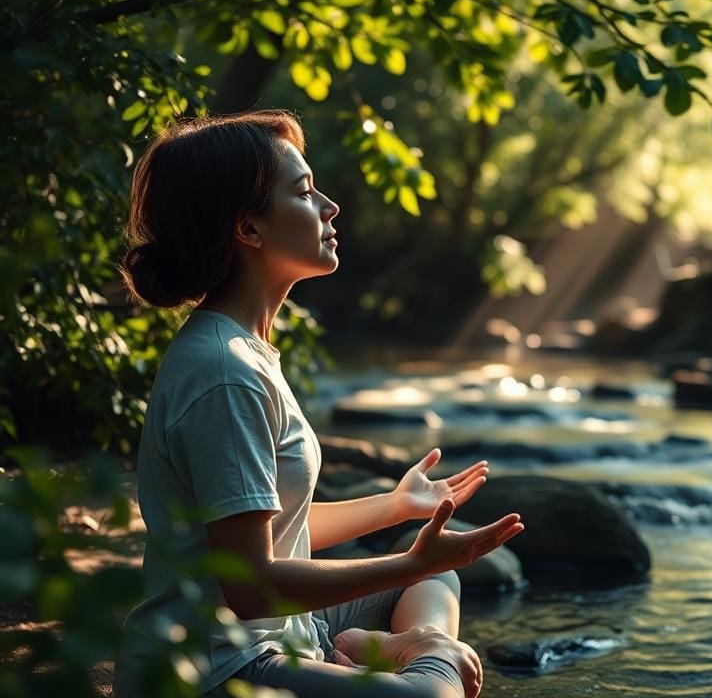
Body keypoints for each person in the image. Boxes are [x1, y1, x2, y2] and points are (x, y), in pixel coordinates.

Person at [112, 110, 523, 698]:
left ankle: (392, 650)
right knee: (432, 676)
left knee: (437, 584)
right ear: (248, 229)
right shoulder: (225, 373)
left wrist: (397, 506)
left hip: (283, 632)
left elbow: (274, 529)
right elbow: (250, 586)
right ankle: (414, 658)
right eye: (304, 192)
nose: (330, 206)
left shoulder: (244, 350)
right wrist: (413, 563)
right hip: (215, 666)